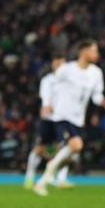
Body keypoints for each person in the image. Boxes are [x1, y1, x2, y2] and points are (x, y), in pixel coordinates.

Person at [33, 40, 105, 196]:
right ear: (83, 52)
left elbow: (96, 96)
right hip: (62, 115)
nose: (97, 55)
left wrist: (103, 101)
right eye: (94, 51)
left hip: (78, 119)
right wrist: (47, 102)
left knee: (74, 149)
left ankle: (46, 176)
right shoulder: (66, 69)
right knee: (76, 146)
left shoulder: (96, 73)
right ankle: (50, 171)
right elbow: (50, 84)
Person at [23, 55, 76, 190]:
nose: (60, 65)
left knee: (66, 148)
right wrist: (47, 105)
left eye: (63, 63)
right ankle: (29, 177)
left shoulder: (70, 81)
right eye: (58, 62)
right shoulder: (48, 80)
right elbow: (45, 97)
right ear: (53, 64)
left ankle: (61, 179)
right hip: (48, 118)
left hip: (63, 118)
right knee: (40, 148)